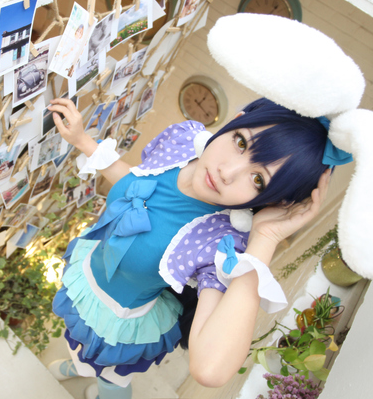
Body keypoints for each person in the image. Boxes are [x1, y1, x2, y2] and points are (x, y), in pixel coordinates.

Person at [46, 96, 333, 399]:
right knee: (80, 347)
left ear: (273, 201)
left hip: (118, 323)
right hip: (87, 274)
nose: (227, 172)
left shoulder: (220, 240)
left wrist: (267, 237)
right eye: (241, 142)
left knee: (110, 380)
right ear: (235, 121)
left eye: (258, 179)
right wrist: (83, 140)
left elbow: (210, 369)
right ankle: (78, 366)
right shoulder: (183, 141)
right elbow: (135, 182)